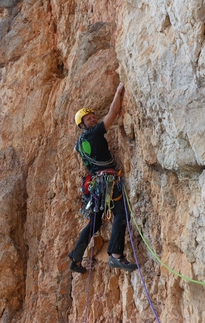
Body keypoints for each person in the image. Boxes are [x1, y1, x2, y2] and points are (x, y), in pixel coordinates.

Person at [68, 82, 138, 274]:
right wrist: (118, 91)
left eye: (93, 117)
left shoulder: (80, 142)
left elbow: (76, 150)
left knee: (95, 222)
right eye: (88, 119)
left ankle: (76, 256)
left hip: (96, 186)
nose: (93, 119)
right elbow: (113, 112)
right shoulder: (94, 133)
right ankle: (116, 255)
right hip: (106, 182)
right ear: (82, 125)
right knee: (122, 212)